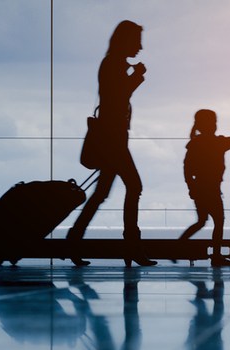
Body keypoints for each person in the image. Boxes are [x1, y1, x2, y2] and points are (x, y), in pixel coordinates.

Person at [67, 20, 156, 267]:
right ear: (125, 41)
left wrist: (134, 76)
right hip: (113, 140)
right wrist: (137, 76)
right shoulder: (114, 64)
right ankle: (131, 247)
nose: (140, 47)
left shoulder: (113, 63)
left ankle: (74, 241)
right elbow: (117, 97)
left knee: (101, 194)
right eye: (137, 41)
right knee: (134, 187)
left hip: (112, 138)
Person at [179, 109, 230, 267]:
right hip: (211, 189)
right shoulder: (216, 143)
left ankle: (180, 245)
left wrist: (191, 187)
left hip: (200, 188)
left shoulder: (195, 144)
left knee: (202, 221)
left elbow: (187, 169)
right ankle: (215, 255)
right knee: (218, 221)